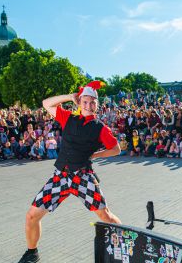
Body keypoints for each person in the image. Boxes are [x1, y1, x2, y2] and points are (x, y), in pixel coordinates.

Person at [18, 81, 121, 263]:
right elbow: (46, 103)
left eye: (92, 102)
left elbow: (116, 149)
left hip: (83, 178)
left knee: (106, 216)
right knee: (32, 216)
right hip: (60, 176)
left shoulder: (100, 128)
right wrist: (69, 97)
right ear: (79, 103)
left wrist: (96, 155)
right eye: (85, 101)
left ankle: (127, 245)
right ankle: (32, 253)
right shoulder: (68, 118)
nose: (89, 105)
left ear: (97, 105)